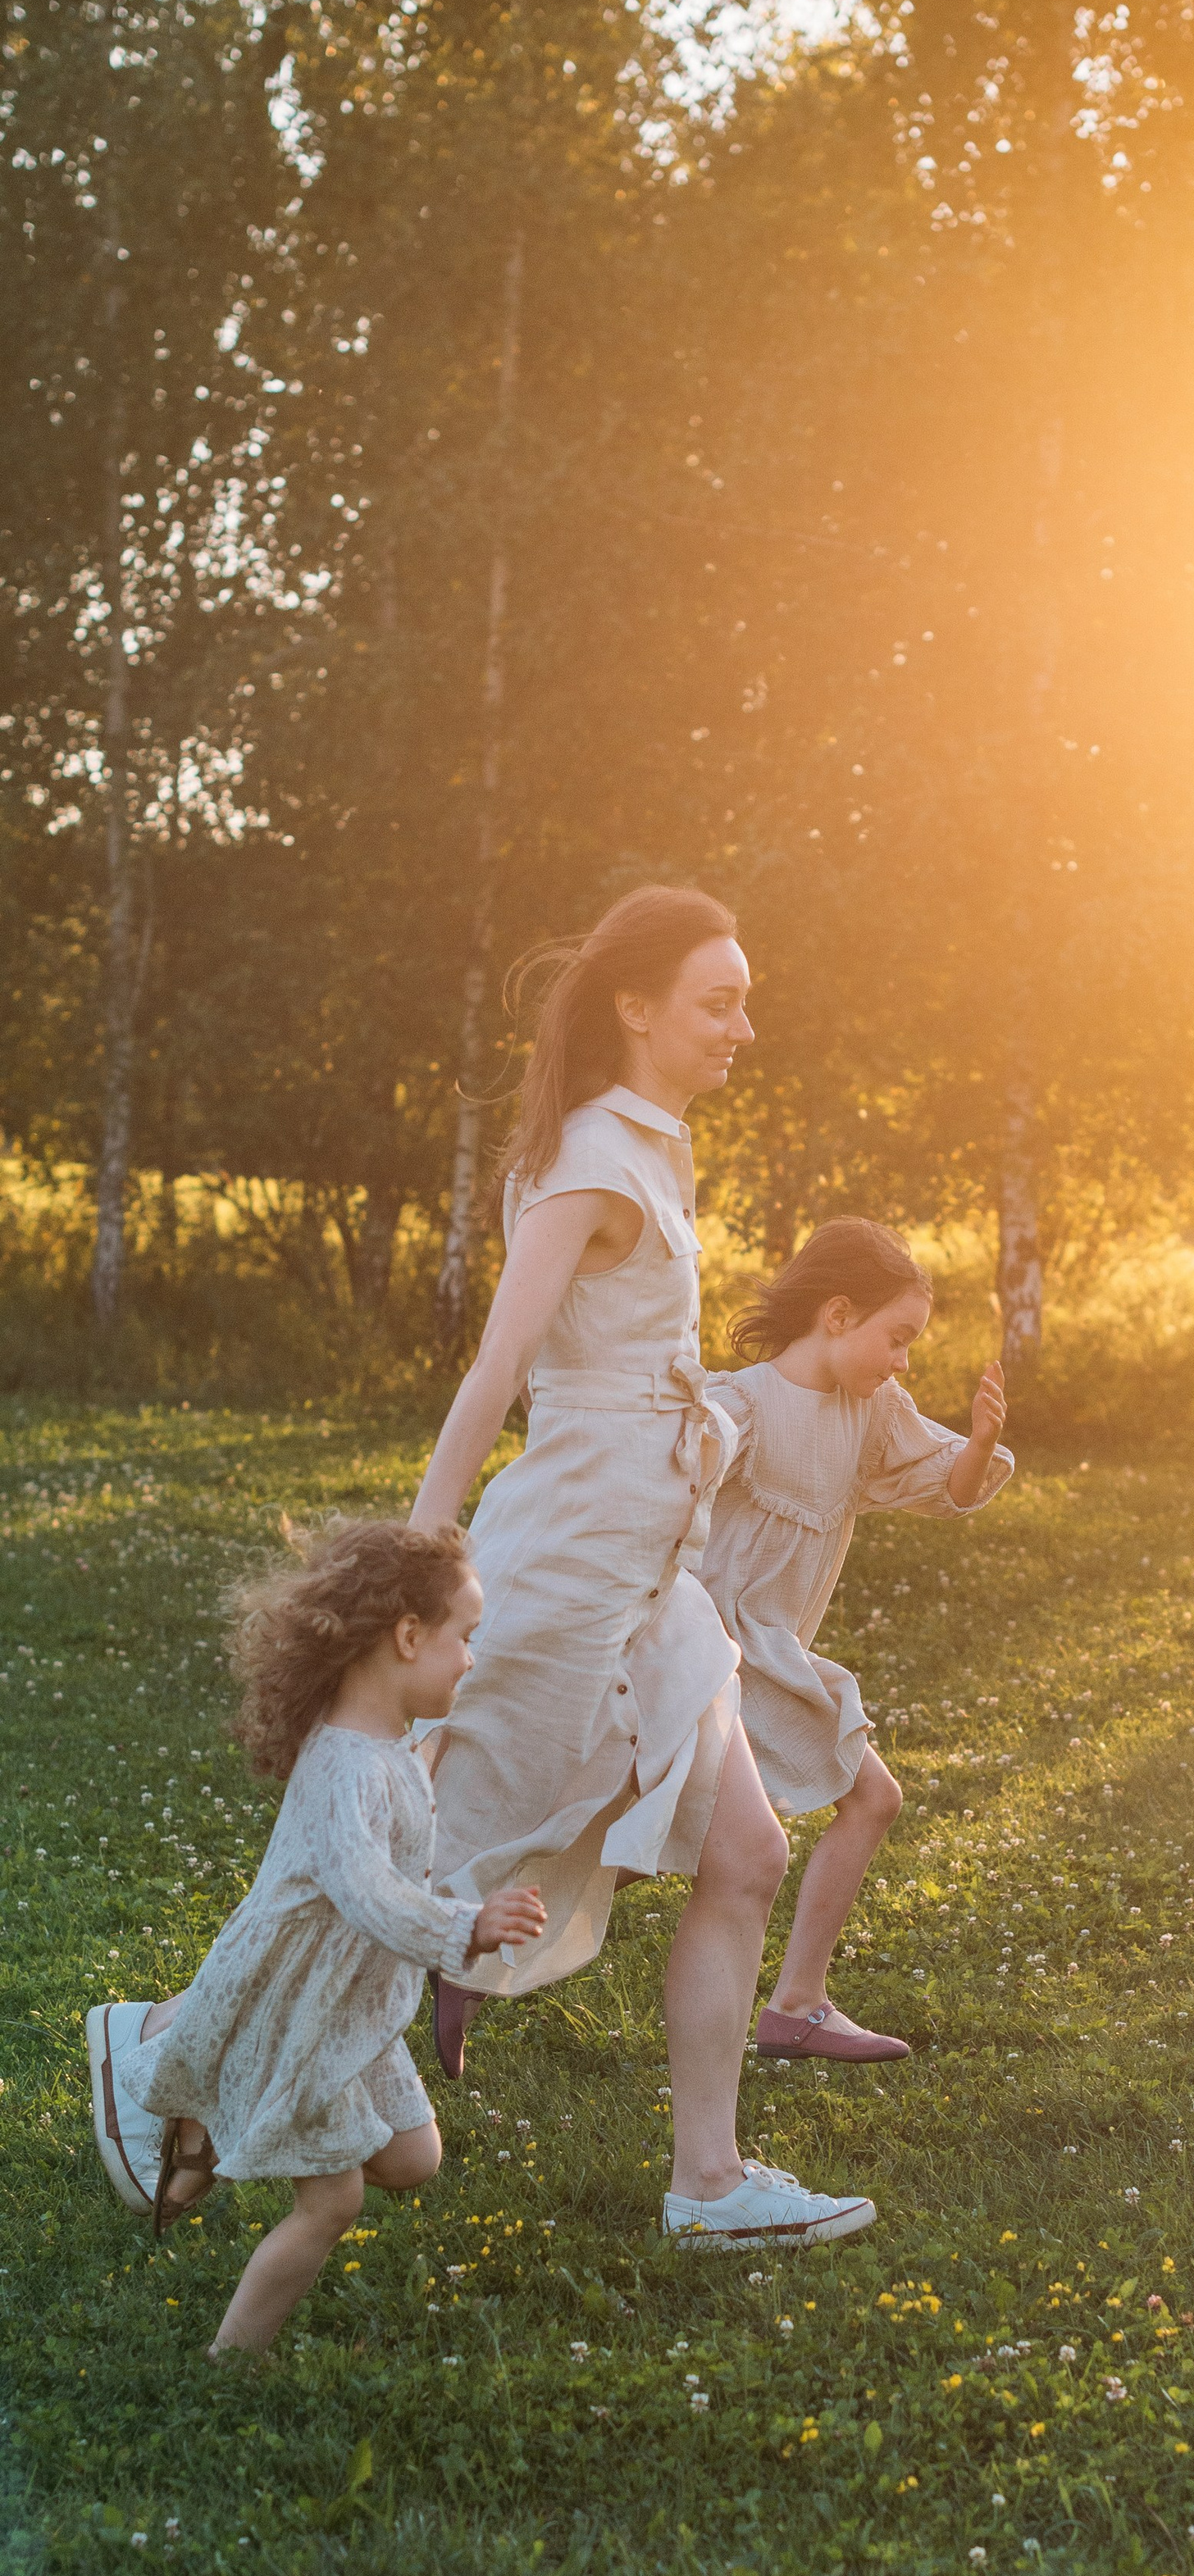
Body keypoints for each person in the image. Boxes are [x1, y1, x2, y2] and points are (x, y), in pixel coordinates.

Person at [407, 882, 875, 2252]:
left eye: (745, 1001)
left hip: (656, 1561)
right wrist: (420, 1552)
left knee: (749, 1849)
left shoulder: (648, 1147)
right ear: (635, 1006)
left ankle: (708, 2185)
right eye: (717, 1002)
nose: (743, 1028)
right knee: (423, 1852)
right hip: (569, 1560)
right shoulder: (596, 1162)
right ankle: (172, 2057)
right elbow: (502, 1360)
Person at [84, 1521, 546, 2355]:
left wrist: (442, 1753)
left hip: (352, 2005)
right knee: (333, 2202)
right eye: (465, 1638)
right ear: (408, 1636)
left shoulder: (384, 1746)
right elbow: (368, 1892)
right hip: (300, 2008)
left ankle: (205, 2131)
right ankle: (230, 2361)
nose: (471, 1660)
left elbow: (399, 1799)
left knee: (413, 2158)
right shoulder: (343, 1767)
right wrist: (468, 1926)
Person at [700, 1217, 1013, 2061]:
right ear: (837, 1314)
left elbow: (949, 1487)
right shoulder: (741, 1404)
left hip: (770, 1651)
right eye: (897, 1337)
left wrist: (982, 1442)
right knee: (853, 1799)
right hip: (716, 1649)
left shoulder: (872, 1413)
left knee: (679, 1831)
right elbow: (661, 1491)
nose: (904, 1360)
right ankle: (481, 1933)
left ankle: (796, 2005)